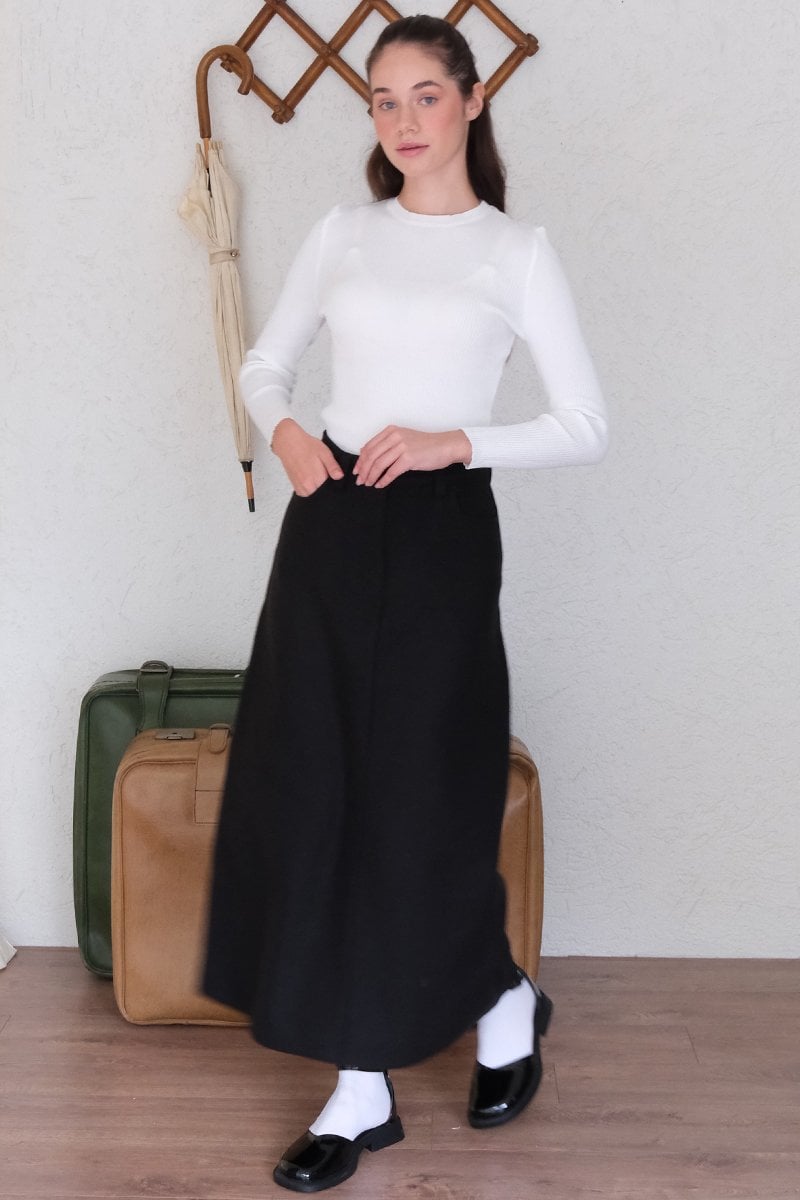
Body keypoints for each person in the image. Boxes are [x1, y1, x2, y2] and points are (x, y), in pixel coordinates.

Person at [201, 13, 608, 1193]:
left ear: (471, 102)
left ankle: (497, 998)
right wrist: (286, 431)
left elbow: (584, 425)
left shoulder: (513, 252)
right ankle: (359, 1085)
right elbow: (264, 362)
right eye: (383, 100)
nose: (403, 120)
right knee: (315, 785)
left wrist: (452, 441)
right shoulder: (344, 232)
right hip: (329, 522)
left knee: (422, 794)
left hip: (437, 532)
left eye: (425, 95)